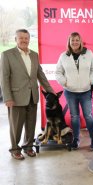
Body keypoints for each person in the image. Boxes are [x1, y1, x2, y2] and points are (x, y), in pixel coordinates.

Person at [0, 29, 55, 160]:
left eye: (26, 38)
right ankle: (15, 149)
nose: (24, 40)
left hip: (32, 96)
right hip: (16, 97)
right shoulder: (7, 55)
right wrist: (7, 97)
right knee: (16, 126)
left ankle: (28, 146)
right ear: (16, 39)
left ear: (29, 39)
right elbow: (4, 78)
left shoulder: (34, 55)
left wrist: (50, 89)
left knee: (31, 124)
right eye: (21, 38)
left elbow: (40, 74)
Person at [55, 32, 93, 151]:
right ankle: (76, 139)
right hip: (70, 92)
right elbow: (58, 72)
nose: (75, 42)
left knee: (88, 116)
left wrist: (90, 80)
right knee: (74, 117)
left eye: (77, 40)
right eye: (72, 40)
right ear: (69, 42)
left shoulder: (88, 53)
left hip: (85, 91)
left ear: (80, 41)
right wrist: (64, 82)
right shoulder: (63, 56)